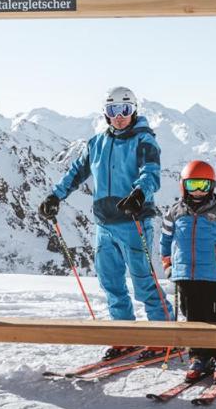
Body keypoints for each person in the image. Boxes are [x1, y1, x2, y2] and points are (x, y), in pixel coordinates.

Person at [38, 86, 173, 361]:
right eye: (113, 111)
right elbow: (76, 173)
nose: (119, 116)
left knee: (143, 281)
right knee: (110, 282)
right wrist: (55, 195)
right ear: (106, 113)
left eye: (125, 110)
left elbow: (151, 173)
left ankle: (165, 335)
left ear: (134, 110)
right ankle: (124, 336)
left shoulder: (144, 140)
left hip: (134, 222)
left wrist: (139, 193)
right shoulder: (97, 143)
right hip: (104, 224)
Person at [160, 160, 216, 385]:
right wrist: (168, 264)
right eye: (193, 185)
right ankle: (198, 355)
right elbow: (165, 240)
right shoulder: (175, 212)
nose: (198, 191)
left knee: (214, 316)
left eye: (204, 186)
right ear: (183, 186)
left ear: (212, 186)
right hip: (184, 274)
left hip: (212, 274)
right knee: (191, 315)